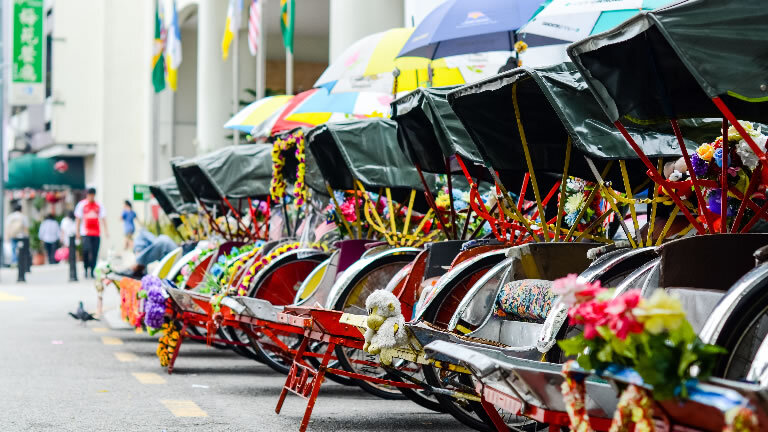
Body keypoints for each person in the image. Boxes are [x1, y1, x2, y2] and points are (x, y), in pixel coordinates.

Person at [75, 188, 108, 278]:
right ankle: (86, 268)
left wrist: (106, 231)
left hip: (96, 233)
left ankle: (92, 270)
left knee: (94, 252)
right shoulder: (82, 205)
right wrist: (77, 231)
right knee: (86, 251)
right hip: (85, 233)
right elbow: (78, 219)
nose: (91, 197)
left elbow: (103, 218)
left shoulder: (98, 205)